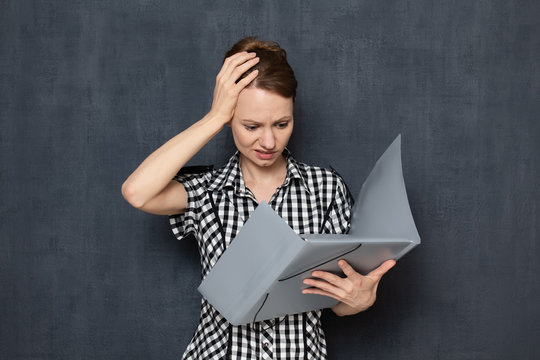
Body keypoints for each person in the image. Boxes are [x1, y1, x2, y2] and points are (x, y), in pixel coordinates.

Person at [121, 36, 396, 360]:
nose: (268, 141)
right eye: (251, 126)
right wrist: (214, 117)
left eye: (282, 123)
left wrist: (359, 301)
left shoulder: (326, 188)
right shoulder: (207, 190)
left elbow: (338, 301)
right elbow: (137, 193)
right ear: (230, 119)